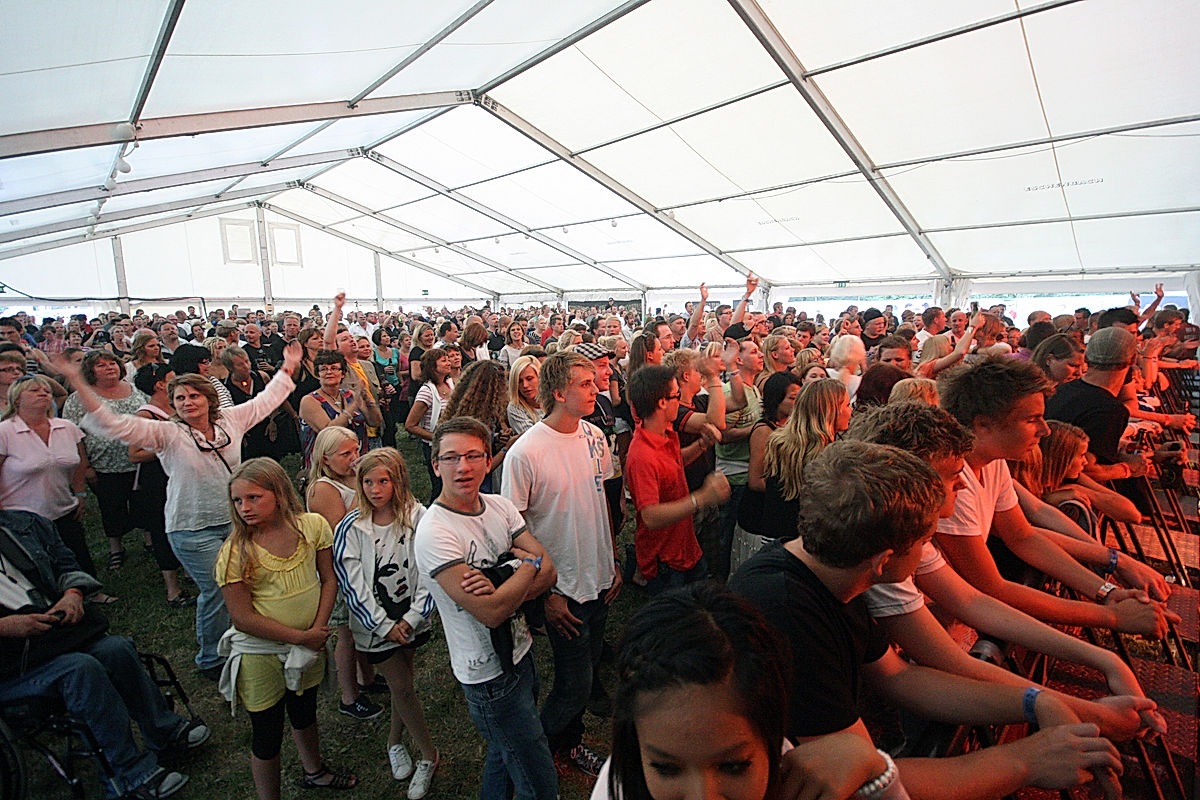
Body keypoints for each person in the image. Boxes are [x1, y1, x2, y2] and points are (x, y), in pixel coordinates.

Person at [730, 441, 1125, 800]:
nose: (929, 551)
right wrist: (1026, 761)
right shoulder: (788, 614)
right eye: (925, 542)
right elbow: (862, 776)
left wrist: (1036, 701)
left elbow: (900, 677)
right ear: (884, 561)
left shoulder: (826, 572)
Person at [61, 343, 302, 677]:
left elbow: (268, 399)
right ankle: (210, 658)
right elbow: (114, 424)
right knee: (219, 590)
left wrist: (289, 365)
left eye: (194, 396)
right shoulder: (168, 433)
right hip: (191, 527)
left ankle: (249, 641)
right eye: (180, 398)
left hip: (235, 522)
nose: (188, 403)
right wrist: (77, 381)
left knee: (247, 583)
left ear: (209, 399)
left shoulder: (231, 420)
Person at [937, 356, 1176, 637]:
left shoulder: (992, 463)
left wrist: (1108, 588)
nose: (1046, 429)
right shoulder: (954, 483)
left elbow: (1023, 536)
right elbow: (991, 587)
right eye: (1032, 419)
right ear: (983, 425)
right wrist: (1111, 614)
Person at [0, 509, 207, 800]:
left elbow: (66, 564)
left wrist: (73, 594)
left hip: (52, 637)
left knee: (116, 649)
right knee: (80, 669)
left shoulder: (24, 524)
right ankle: (128, 775)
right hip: (12, 668)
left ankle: (163, 731)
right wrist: (6, 626)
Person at [414, 416, 559, 800]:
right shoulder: (435, 532)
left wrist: (504, 586)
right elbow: (492, 612)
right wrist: (524, 565)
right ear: (435, 466)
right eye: (451, 458)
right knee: (538, 781)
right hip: (488, 677)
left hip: (521, 651)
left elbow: (551, 573)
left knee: (505, 753)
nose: (463, 467)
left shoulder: (500, 507)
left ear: (489, 460)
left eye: (473, 456)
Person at [502, 350, 621, 777]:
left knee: (588, 669)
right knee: (574, 684)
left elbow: (603, 504)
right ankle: (537, 754)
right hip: (563, 590)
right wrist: (547, 593)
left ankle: (566, 743)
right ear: (557, 392)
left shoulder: (595, 436)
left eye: (594, 382)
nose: (596, 389)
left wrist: (612, 559)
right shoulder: (526, 453)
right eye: (584, 384)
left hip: (600, 578)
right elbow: (512, 532)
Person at [215, 458, 355, 798]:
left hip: (308, 645)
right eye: (238, 500)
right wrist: (300, 637)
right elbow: (243, 617)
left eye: (253, 497)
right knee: (267, 731)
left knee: (305, 713)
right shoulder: (235, 551)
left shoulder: (312, 527)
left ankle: (314, 770)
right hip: (262, 655)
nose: (245, 508)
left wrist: (317, 629)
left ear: (278, 493)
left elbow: (328, 579)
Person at [334, 449, 439, 798]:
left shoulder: (418, 517)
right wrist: (383, 626)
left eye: (383, 481)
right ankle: (429, 754)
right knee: (403, 687)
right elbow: (352, 584)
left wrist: (411, 618)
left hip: (411, 619)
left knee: (402, 684)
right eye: (368, 482)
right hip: (375, 627)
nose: (375, 489)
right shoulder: (350, 527)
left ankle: (394, 740)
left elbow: (429, 569)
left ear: (398, 481)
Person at [305, 426, 383, 722]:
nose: (354, 458)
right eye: (345, 454)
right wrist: (364, 486)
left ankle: (367, 677)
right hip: (341, 568)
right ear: (325, 458)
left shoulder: (350, 478)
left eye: (356, 450)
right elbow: (342, 528)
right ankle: (349, 697)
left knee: (361, 625)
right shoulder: (322, 489)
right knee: (347, 633)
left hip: (364, 560)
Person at [0, 375, 99, 578]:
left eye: (46, 391)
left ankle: (87, 589)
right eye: (34, 390)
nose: (43, 394)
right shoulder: (5, 432)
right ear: (17, 399)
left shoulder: (67, 427)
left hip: (63, 509)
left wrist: (80, 493)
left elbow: (80, 463)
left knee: (78, 561)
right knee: (40, 571)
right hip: (22, 518)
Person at [62, 351, 149, 573]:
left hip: (139, 462)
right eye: (101, 365)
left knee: (144, 502)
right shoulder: (79, 399)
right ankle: (116, 548)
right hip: (105, 466)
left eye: (112, 363)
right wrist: (85, 466)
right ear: (90, 372)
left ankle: (149, 540)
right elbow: (74, 435)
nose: (109, 367)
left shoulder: (135, 390)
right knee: (111, 507)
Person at [129, 363, 190, 607]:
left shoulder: (179, 406)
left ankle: (189, 569)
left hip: (181, 473)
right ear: (160, 385)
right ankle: (172, 589)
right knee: (163, 528)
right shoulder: (145, 415)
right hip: (157, 479)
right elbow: (134, 454)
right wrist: (168, 447)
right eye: (173, 377)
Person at [299, 350, 377, 469]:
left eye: (334, 368)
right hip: (327, 466)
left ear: (343, 373)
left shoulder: (349, 395)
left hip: (357, 462)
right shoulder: (309, 401)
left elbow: (375, 422)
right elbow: (329, 431)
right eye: (323, 369)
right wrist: (354, 405)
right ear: (318, 374)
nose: (329, 372)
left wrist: (368, 400)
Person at [405, 347, 455, 502]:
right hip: (435, 446)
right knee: (440, 487)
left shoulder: (450, 384)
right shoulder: (426, 392)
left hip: (452, 442)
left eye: (448, 360)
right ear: (433, 367)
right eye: (444, 361)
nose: (449, 363)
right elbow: (410, 425)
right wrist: (435, 437)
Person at [223, 345, 288, 462]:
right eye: (240, 364)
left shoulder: (262, 377)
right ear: (230, 368)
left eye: (247, 361)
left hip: (267, 428)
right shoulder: (225, 388)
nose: (246, 366)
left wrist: (273, 420)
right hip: (246, 434)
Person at [372, 328, 403, 448]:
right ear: (378, 339)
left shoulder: (394, 351)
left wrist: (400, 382)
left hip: (395, 385)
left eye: (387, 336)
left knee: (395, 413)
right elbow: (373, 369)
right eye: (384, 336)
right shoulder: (374, 353)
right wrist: (383, 370)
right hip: (383, 387)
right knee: (387, 417)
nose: (387, 338)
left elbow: (398, 369)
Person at [506, 354, 543, 435]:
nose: (525, 385)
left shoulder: (556, 399)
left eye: (529, 379)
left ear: (539, 377)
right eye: (519, 381)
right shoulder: (515, 407)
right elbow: (533, 437)